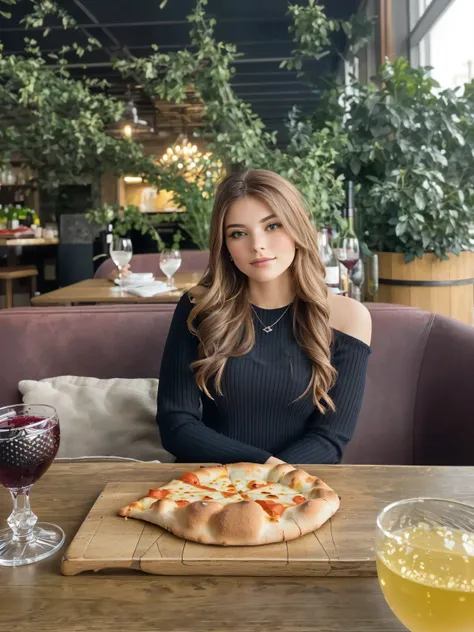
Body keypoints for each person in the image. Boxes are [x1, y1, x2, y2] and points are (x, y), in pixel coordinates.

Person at [157, 169, 372, 465]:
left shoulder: (348, 318)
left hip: (299, 489)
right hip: (209, 484)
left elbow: (330, 440)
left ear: (297, 228)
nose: (257, 244)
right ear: (226, 246)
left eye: (272, 226)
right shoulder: (199, 307)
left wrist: (272, 479)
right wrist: (264, 468)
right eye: (238, 233)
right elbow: (176, 425)